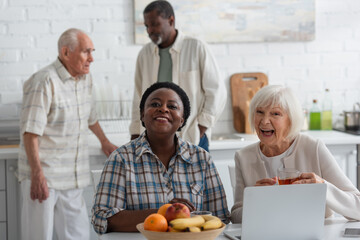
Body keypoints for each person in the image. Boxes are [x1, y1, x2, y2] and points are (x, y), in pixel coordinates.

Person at [18, 28, 118, 240]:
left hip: (72, 177)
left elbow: (90, 117)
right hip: (44, 176)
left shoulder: (85, 80)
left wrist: (105, 142)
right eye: (86, 51)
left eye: (92, 51)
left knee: (78, 235)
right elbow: (30, 132)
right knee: (38, 236)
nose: (92, 58)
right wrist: (37, 174)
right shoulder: (44, 81)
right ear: (65, 53)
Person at [92, 82, 230, 233]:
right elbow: (102, 219)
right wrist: (163, 213)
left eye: (172, 106)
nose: (163, 108)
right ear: (142, 115)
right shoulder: (120, 159)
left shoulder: (202, 159)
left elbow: (220, 219)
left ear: (182, 120)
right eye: (155, 104)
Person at [231, 85, 360, 223]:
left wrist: (323, 187)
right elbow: (236, 217)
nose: (264, 121)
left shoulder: (313, 148)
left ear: (291, 119)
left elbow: (357, 206)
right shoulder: (243, 157)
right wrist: (256, 200)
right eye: (260, 112)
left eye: (275, 114)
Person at [129, 0, 227, 152]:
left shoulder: (196, 47)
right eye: (147, 26)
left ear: (171, 20)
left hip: (192, 138)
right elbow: (138, 96)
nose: (150, 31)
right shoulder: (145, 54)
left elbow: (217, 91)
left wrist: (201, 126)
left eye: (154, 24)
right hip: (153, 141)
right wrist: (135, 132)